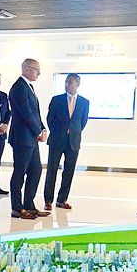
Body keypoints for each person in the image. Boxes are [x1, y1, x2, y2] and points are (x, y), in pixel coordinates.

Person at [8, 58, 49, 220]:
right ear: (26, 69)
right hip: (22, 137)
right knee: (20, 172)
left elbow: (35, 112)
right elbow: (26, 113)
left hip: (31, 137)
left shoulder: (28, 87)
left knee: (36, 170)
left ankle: (29, 205)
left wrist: (42, 128)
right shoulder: (19, 87)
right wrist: (37, 132)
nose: (39, 73)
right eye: (36, 70)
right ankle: (17, 208)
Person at [44, 74, 89, 210]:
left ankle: (62, 200)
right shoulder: (56, 100)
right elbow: (50, 119)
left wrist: (73, 131)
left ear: (77, 84)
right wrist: (59, 131)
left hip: (73, 141)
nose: (67, 84)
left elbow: (83, 121)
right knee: (52, 170)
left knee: (69, 171)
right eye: (66, 82)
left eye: (70, 82)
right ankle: (48, 200)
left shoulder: (84, 102)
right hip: (57, 139)